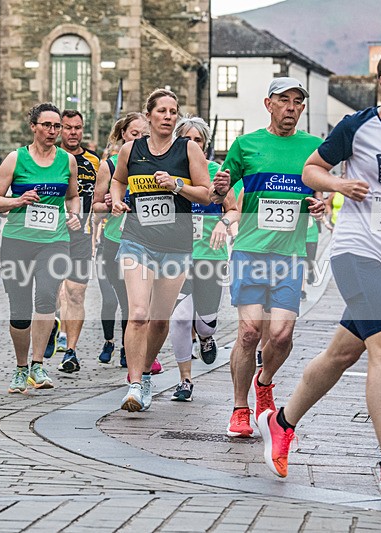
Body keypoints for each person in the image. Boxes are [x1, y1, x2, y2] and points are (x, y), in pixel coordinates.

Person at [259, 44, 381, 492]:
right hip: (356, 249)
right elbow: (312, 170)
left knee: (342, 354)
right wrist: (339, 183)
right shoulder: (357, 126)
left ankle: (282, 421)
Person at [109, 88, 228, 412]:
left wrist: (176, 185)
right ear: (149, 115)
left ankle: (146, 373)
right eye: (161, 110)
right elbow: (119, 180)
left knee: (160, 321)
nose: (168, 116)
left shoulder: (188, 150)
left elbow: (206, 195)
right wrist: (118, 199)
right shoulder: (131, 150)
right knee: (138, 314)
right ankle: (134, 384)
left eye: (173, 111)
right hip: (137, 240)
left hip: (175, 246)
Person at [220, 77, 325, 437]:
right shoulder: (246, 145)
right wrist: (222, 194)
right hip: (250, 250)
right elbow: (221, 186)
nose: (291, 107)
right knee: (249, 333)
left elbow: (323, 190)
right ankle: (239, 408)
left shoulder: (314, 148)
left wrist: (321, 202)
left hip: (289, 254)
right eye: (284, 100)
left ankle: (263, 382)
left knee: (279, 336)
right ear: (269, 104)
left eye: (298, 101)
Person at [0, 102, 80, 394]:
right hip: (17, 241)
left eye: (57, 126)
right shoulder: (16, 159)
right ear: (34, 127)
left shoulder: (67, 161)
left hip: (54, 241)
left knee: (46, 297)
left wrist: (75, 214)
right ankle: (20, 367)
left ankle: (38, 365)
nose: (53, 131)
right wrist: (18, 201)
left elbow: (73, 196)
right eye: (47, 125)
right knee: (20, 310)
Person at [168, 116, 235, 401]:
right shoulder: (169, 173)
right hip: (177, 257)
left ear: (205, 145)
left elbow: (233, 210)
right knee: (180, 319)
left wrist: (224, 223)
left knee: (205, 321)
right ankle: (185, 380)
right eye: (188, 140)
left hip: (210, 257)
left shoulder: (217, 173)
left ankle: (206, 337)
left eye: (198, 140)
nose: (193, 145)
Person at [92, 112, 148, 367]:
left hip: (144, 240)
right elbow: (95, 205)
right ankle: (111, 341)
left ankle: (129, 348)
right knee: (113, 298)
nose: (139, 139)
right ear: (123, 134)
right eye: (134, 134)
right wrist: (108, 204)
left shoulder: (156, 165)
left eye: (144, 135)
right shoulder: (111, 166)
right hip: (114, 238)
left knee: (132, 300)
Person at [56, 109, 100, 373]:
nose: (73, 132)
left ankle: (70, 351)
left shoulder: (94, 162)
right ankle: (51, 324)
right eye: (68, 127)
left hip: (80, 235)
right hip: (50, 235)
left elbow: (101, 194)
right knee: (50, 295)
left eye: (78, 128)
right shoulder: (50, 159)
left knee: (76, 292)